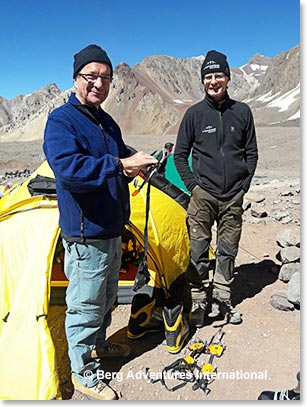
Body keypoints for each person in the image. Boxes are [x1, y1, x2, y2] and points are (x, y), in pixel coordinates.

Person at [43, 44, 157, 400]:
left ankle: (98, 347)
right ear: (76, 79)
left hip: (110, 227)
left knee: (106, 299)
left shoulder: (105, 120)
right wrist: (120, 166)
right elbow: (69, 169)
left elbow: (119, 154)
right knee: (86, 305)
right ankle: (83, 372)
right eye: (91, 76)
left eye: (105, 77)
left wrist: (137, 161)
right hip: (85, 232)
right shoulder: (62, 121)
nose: (98, 83)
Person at [174, 50, 258, 328]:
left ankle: (222, 297)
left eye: (218, 75)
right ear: (202, 81)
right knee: (198, 250)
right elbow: (179, 155)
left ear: (228, 78)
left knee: (228, 249)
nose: (213, 81)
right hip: (203, 197)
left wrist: (243, 186)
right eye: (208, 76)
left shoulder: (242, 112)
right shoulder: (194, 114)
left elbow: (251, 153)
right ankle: (198, 299)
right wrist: (194, 187)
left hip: (233, 195)